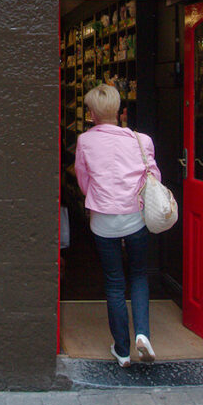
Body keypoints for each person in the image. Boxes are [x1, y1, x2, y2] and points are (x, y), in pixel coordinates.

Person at [74, 83, 160, 368]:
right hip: (135, 218)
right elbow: (153, 176)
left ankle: (122, 350)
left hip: (103, 221)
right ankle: (143, 334)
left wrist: (99, 196)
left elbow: (83, 180)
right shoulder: (141, 140)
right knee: (138, 275)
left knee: (114, 282)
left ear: (92, 113)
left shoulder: (85, 141)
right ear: (119, 109)